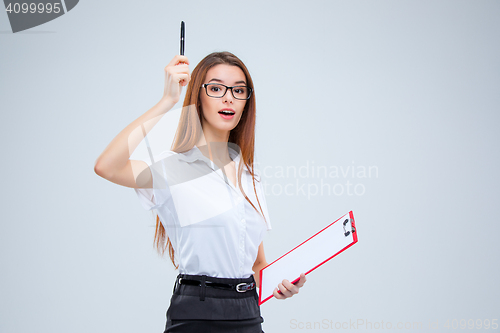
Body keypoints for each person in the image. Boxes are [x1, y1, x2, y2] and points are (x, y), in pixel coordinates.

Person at [94, 51, 307, 332]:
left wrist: (281, 284)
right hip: (196, 311)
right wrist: (167, 101)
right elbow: (106, 166)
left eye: (238, 90)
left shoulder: (250, 177)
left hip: (247, 313)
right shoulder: (172, 167)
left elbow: (257, 264)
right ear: (198, 97)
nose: (228, 97)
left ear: (246, 102)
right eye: (216, 88)